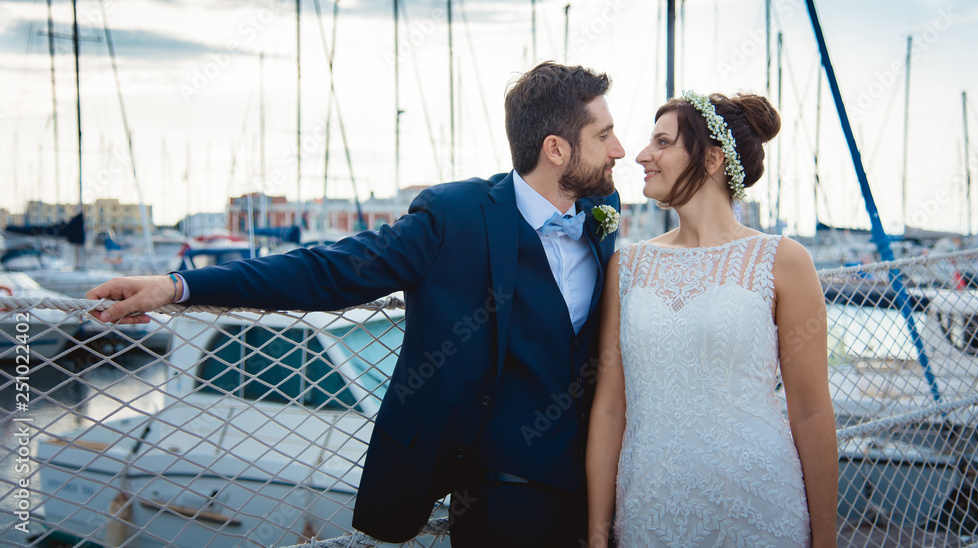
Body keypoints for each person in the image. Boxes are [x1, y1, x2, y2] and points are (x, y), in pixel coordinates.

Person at [87, 61, 626, 548]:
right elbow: (330, 270)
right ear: (555, 149)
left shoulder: (602, 206)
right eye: (603, 136)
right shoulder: (455, 218)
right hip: (500, 497)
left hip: (599, 486)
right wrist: (177, 286)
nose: (618, 149)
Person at [586, 92, 837, 547]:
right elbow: (609, 408)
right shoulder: (628, 267)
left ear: (713, 158)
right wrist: (598, 533)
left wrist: (826, 541)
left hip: (759, 509)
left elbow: (811, 410)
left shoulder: (783, 260)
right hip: (649, 511)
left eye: (662, 142)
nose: (642, 155)